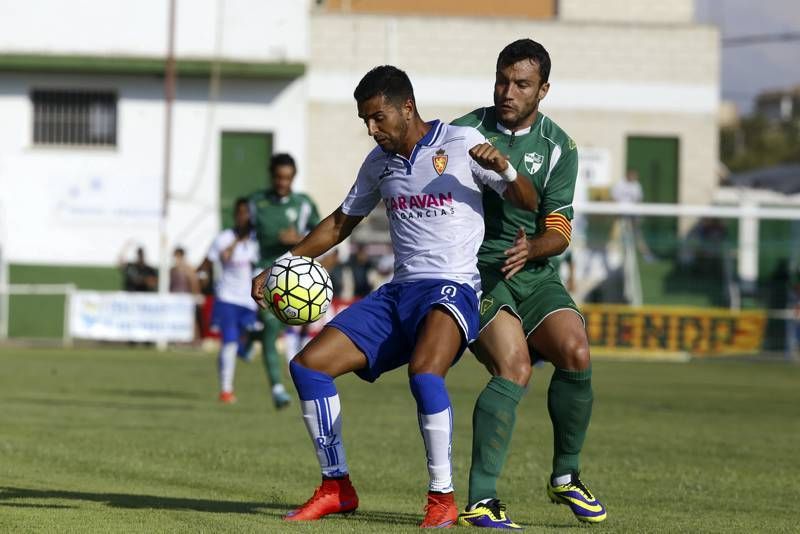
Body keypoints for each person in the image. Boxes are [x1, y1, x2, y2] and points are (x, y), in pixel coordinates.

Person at [251, 65, 536, 527]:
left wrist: (504, 166)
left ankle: (441, 498)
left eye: (378, 118)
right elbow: (341, 223)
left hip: (453, 288)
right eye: (364, 120)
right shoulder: (378, 163)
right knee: (308, 367)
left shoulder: (461, 143)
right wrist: (282, 264)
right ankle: (336, 486)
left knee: (425, 374)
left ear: (407, 108)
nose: (371, 129)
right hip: (399, 292)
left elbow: (528, 200)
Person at [451, 39, 607, 526]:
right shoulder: (462, 133)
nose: (507, 91)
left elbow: (558, 229)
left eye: (521, 84)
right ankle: (481, 499)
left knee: (576, 352)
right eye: (502, 80)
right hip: (480, 275)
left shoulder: (560, 146)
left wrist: (533, 248)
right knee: (515, 367)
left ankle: (565, 476)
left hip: (534, 273)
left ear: (543, 90)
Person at [248, 153, 321, 409]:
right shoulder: (257, 202)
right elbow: (240, 231)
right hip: (265, 274)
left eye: (288, 178)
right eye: (279, 177)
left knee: (275, 328)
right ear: (272, 176)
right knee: (271, 328)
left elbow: (321, 235)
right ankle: (278, 389)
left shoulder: (303, 204)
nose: (283, 182)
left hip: (295, 276)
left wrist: (298, 239)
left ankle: (251, 337)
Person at [198, 198, 260, 403]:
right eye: (240, 212)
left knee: (247, 345)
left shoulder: (257, 241)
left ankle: (243, 349)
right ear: (235, 215)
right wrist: (201, 282)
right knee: (230, 342)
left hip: (249, 301)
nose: (243, 217)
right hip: (226, 297)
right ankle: (226, 390)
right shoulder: (224, 238)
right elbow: (207, 263)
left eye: (247, 213)